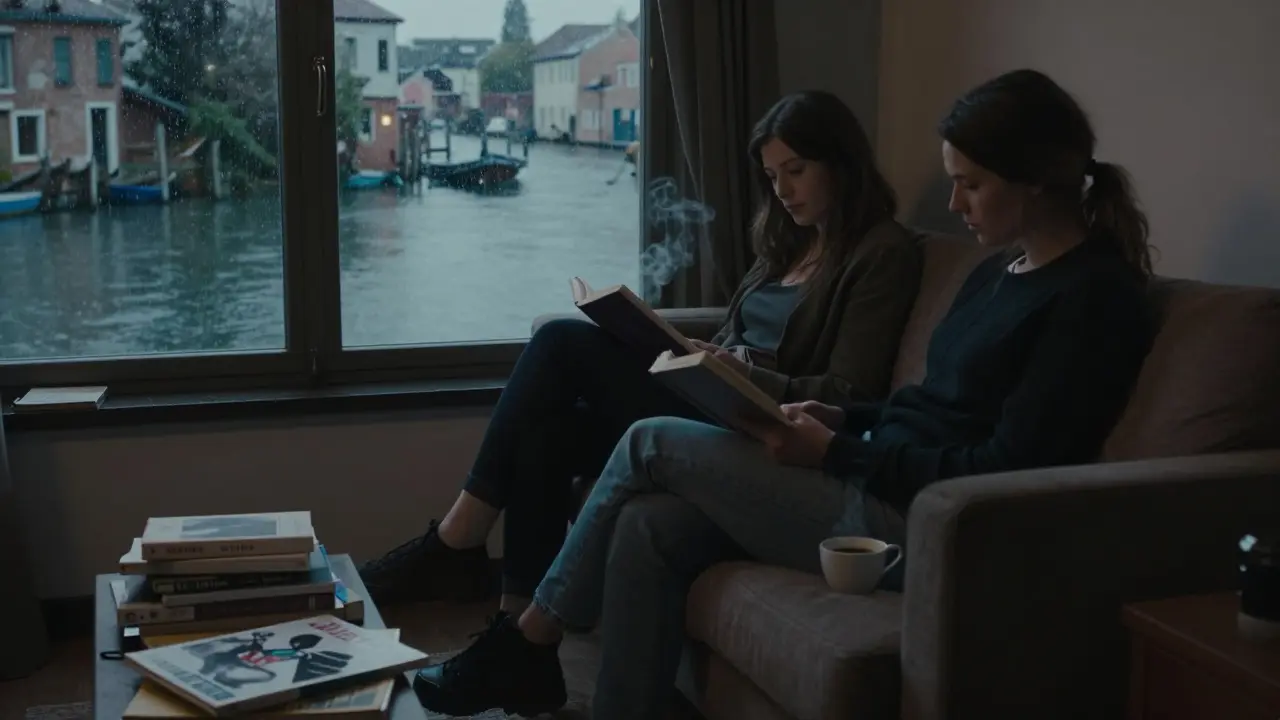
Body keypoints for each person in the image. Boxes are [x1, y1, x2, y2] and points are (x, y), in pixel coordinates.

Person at [409, 69, 1155, 719]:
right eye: (954, 179)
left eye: (972, 183)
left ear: (1035, 178)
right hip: (875, 469)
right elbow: (924, 404)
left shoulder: (1094, 299)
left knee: (648, 441)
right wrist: (843, 418)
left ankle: (526, 639)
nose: (955, 203)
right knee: (648, 525)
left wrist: (839, 450)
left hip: (923, 522)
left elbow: (999, 464)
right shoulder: (999, 271)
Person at [358, 89, 922, 614]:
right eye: (773, 176)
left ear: (841, 163)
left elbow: (852, 394)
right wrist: (706, 352)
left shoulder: (882, 253)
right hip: (715, 401)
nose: (782, 190)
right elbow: (737, 337)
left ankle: (455, 544)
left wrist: (743, 371)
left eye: (796, 171)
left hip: (764, 427)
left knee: (558, 341)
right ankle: (512, 635)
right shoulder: (787, 245)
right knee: (544, 436)